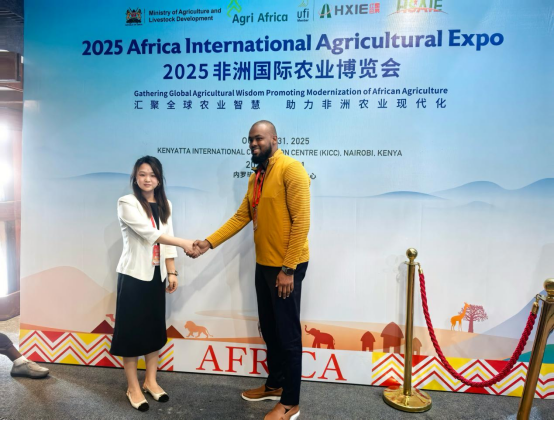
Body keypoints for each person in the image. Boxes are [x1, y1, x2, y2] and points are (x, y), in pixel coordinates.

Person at [194, 121, 311, 421]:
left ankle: (291, 402)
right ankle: (275, 385)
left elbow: (302, 222)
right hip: (264, 266)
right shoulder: (256, 177)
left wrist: (288, 269)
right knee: (270, 330)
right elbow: (241, 216)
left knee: (288, 335)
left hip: (286, 267)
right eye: (250, 140)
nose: (253, 144)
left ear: (274, 138)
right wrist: (208, 242)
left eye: (259, 138)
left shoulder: (291, 169)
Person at [110, 156, 198, 412]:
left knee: (153, 329)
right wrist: (184, 242)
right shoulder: (127, 203)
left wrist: (172, 272)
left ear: (159, 179)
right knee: (131, 332)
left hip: (156, 277)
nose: (147, 179)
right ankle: (133, 387)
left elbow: (166, 241)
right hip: (133, 276)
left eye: (152, 175)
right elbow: (151, 234)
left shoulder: (165, 204)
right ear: (135, 178)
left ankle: (150, 381)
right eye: (142, 174)